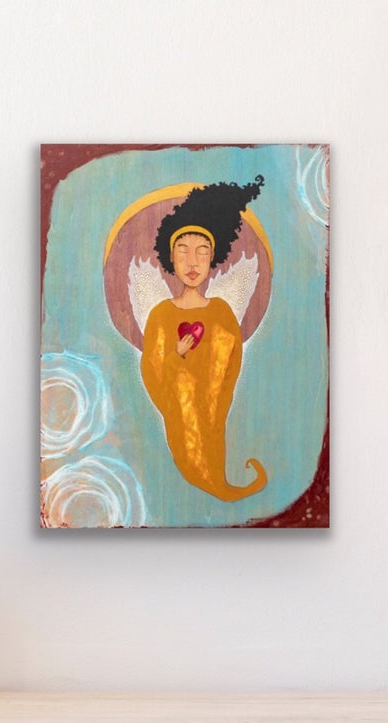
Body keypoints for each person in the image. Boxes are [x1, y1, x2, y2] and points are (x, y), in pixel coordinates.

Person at [140, 177, 268, 502]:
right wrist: (177, 358)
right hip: (181, 422)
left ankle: (218, 478)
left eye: (202, 252)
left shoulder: (222, 313)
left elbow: (224, 374)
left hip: (212, 420)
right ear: (171, 259)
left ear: (214, 258)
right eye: (183, 252)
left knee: (211, 445)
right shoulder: (160, 315)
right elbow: (153, 374)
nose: (192, 262)